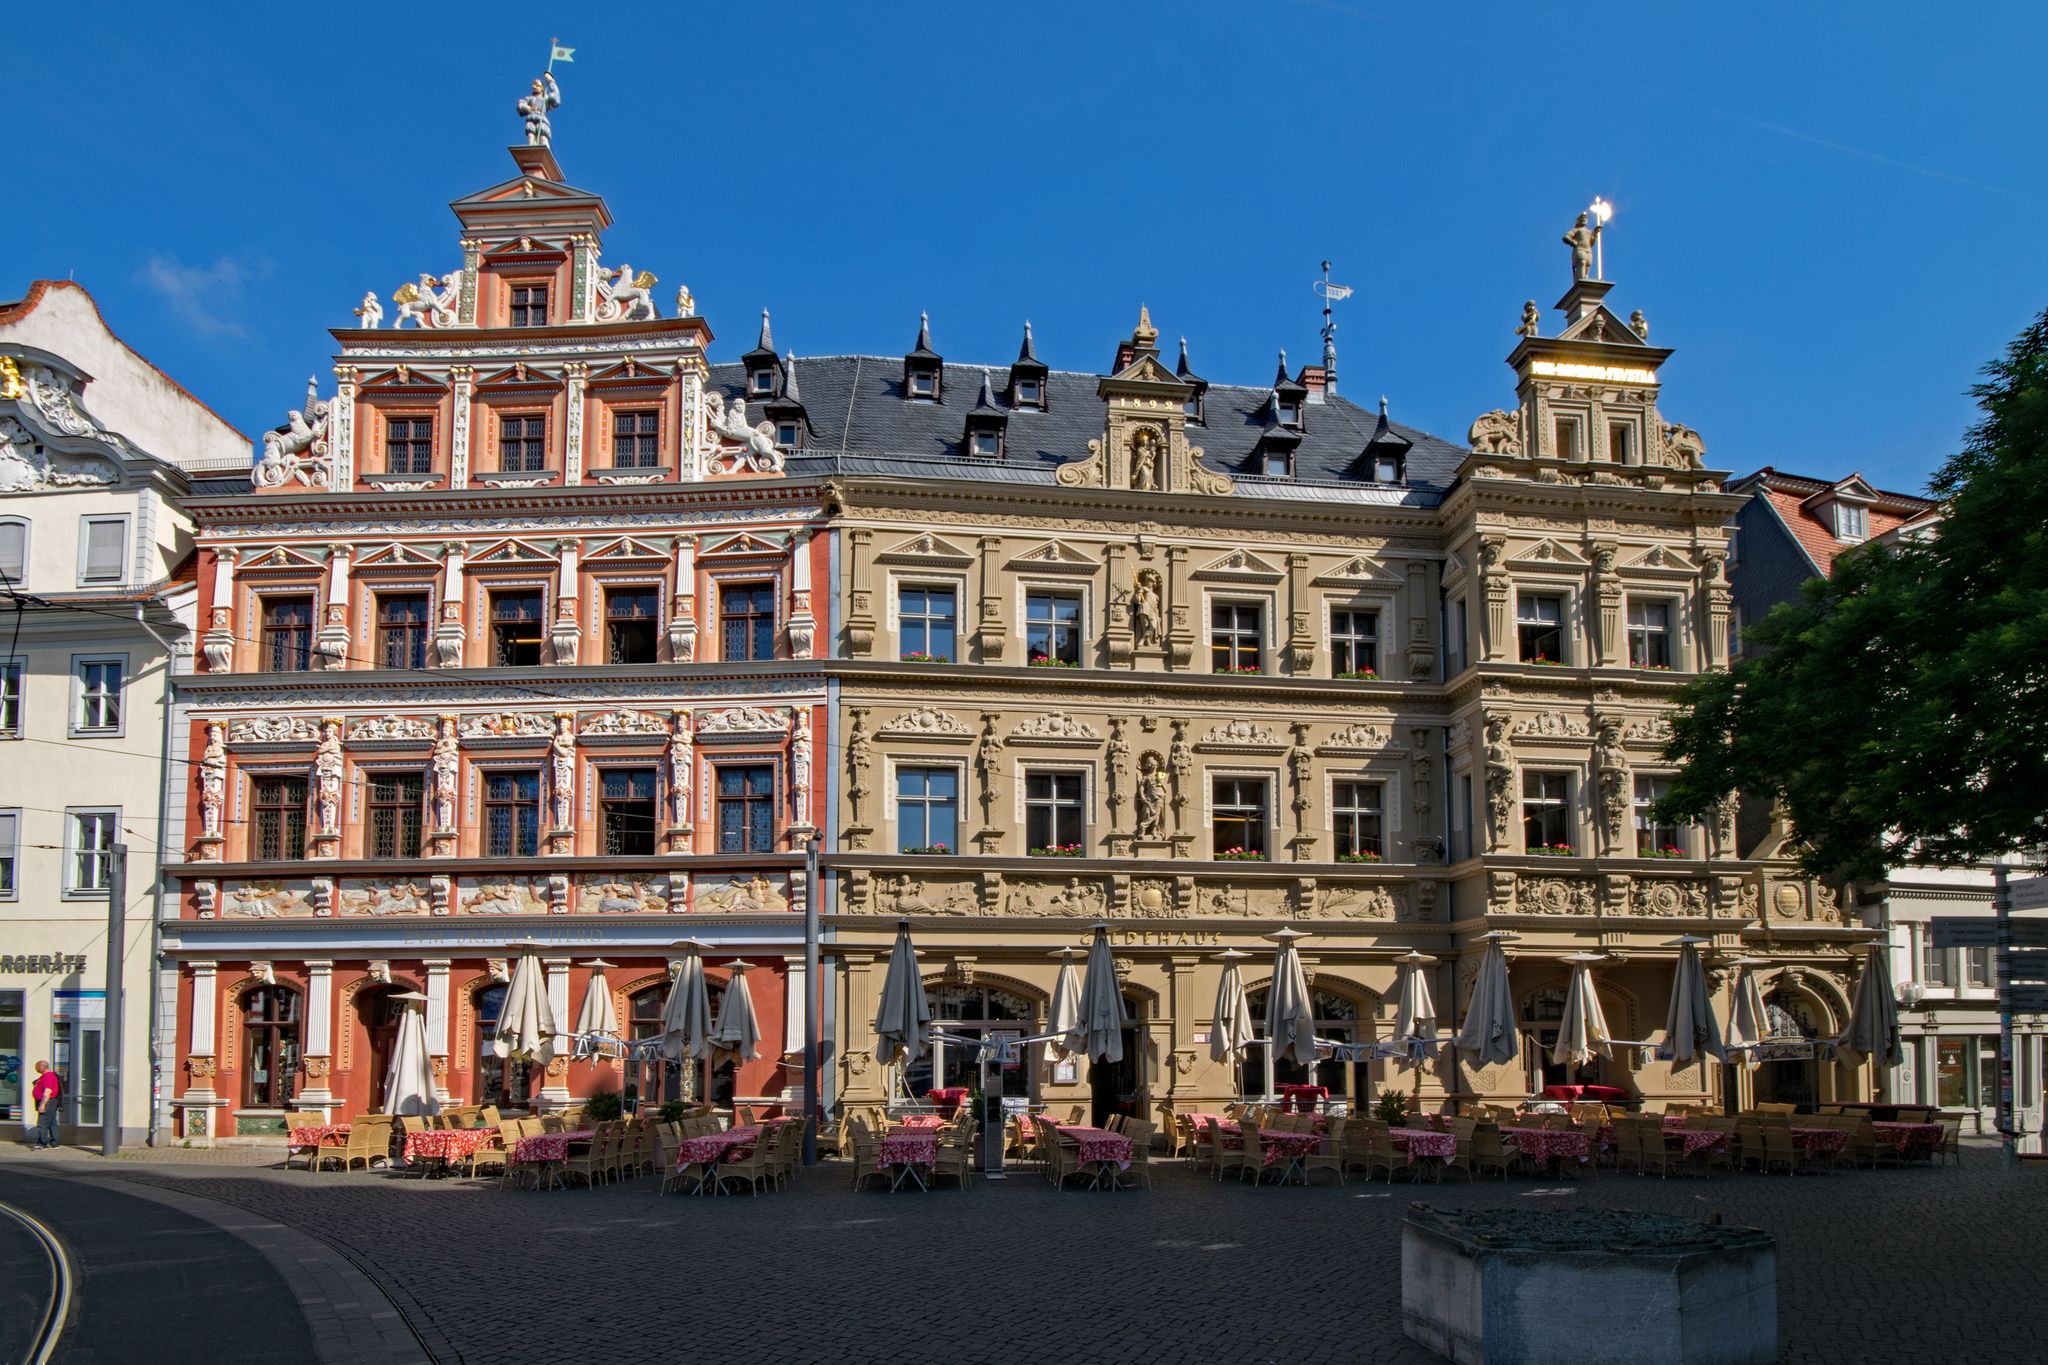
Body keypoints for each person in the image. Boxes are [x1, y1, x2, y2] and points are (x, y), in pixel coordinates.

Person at [29, 1061, 61, 1149]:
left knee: (42, 1123)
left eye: (37, 1066)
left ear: (42, 1066)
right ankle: (55, 1142)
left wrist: (42, 1104)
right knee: (52, 1123)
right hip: (50, 1102)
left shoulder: (48, 1076)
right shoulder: (46, 1076)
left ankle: (42, 1143)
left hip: (48, 1102)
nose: (36, 1068)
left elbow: (48, 1091)